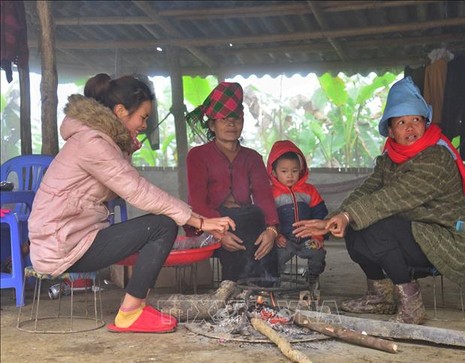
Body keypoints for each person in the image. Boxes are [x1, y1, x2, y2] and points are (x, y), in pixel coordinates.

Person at [28, 73, 235, 333]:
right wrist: (200, 221)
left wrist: (126, 150)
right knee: (162, 226)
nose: (145, 125)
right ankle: (130, 312)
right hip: (63, 245)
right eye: (143, 117)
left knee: (159, 225)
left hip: (70, 239)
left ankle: (135, 307)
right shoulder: (92, 143)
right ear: (121, 111)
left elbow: (118, 187)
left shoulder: (99, 140)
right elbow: (138, 191)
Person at [293, 76, 465, 324]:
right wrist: (333, 220)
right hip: (414, 231)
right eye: (402, 122)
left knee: (378, 227)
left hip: (444, 236)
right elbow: (366, 190)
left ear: (426, 123)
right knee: (355, 230)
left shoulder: (436, 158)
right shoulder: (390, 159)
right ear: (391, 130)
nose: (411, 128)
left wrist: (347, 215)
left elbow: (393, 197)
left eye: (416, 120)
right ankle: (380, 297)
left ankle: (412, 306)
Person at [185, 82, 279, 285]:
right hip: (208, 222)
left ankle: (260, 291)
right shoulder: (197, 155)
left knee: (255, 217)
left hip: (245, 219)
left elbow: (264, 194)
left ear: (243, 122)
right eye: (224, 120)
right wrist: (220, 232)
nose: (231, 124)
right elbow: (198, 201)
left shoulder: (253, 157)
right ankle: (244, 288)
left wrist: (271, 230)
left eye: (236, 119)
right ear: (212, 125)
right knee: (246, 222)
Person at [266, 140, 328, 288]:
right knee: (276, 257)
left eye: (294, 171)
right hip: (285, 239)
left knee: (318, 254)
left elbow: (320, 214)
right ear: (273, 172)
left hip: (308, 238)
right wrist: (276, 235)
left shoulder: (309, 190)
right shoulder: (271, 194)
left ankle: (313, 277)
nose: (290, 175)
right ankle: (275, 281)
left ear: (301, 170)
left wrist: (318, 237)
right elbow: (267, 218)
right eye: (284, 171)